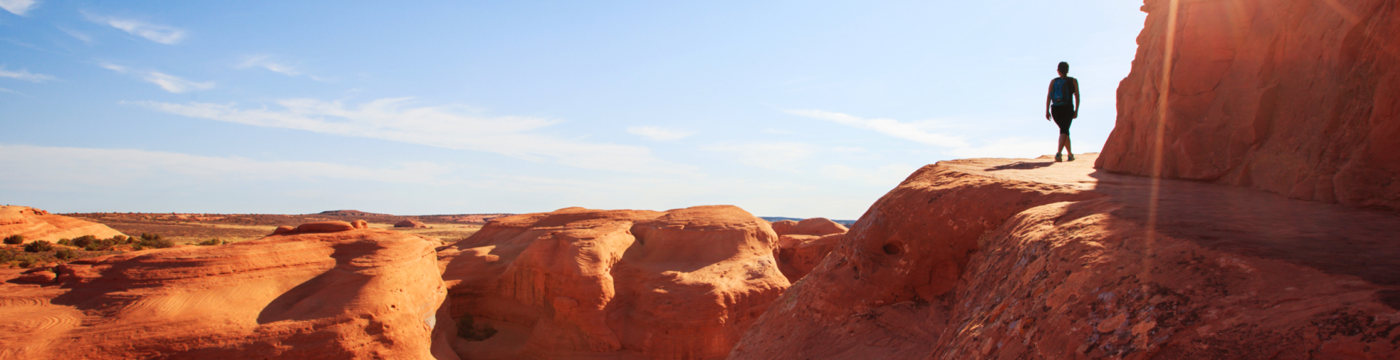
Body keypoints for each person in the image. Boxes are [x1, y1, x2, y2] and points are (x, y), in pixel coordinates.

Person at [1044, 61, 1080, 162]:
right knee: (1064, 130)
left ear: (1058, 71)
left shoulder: (1053, 81)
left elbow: (1048, 96)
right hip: (1067, 108)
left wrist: (1047, 110)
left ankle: (1070, 154)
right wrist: (1076, 110)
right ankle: (1059, 153)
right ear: (1067, 70)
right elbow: (1077, 96)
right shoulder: (1073, 81)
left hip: (1055, 109)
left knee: (1064, 131)